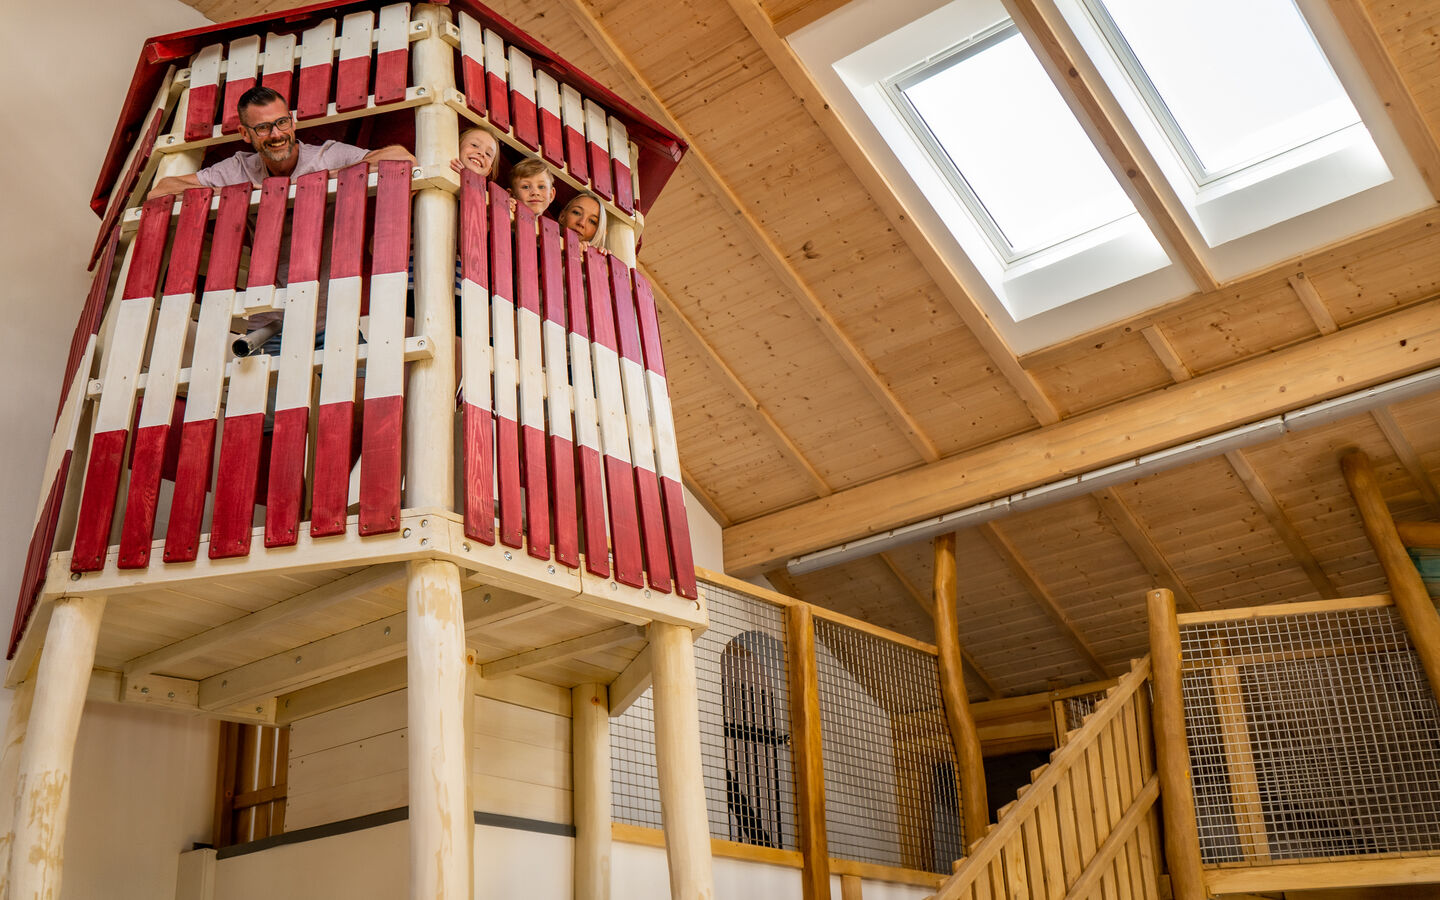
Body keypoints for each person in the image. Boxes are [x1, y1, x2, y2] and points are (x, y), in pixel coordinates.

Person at [148, 86, 413, 197]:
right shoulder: (239, 168)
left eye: (282, 123)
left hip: (335, 286)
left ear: (292, 123)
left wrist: (319, 180)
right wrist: (239, 194)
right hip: (262, 291)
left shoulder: (326, 155)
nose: (276, 135)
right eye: (263, 128)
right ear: (245, 134)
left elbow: (403, 159)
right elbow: (161, 190)